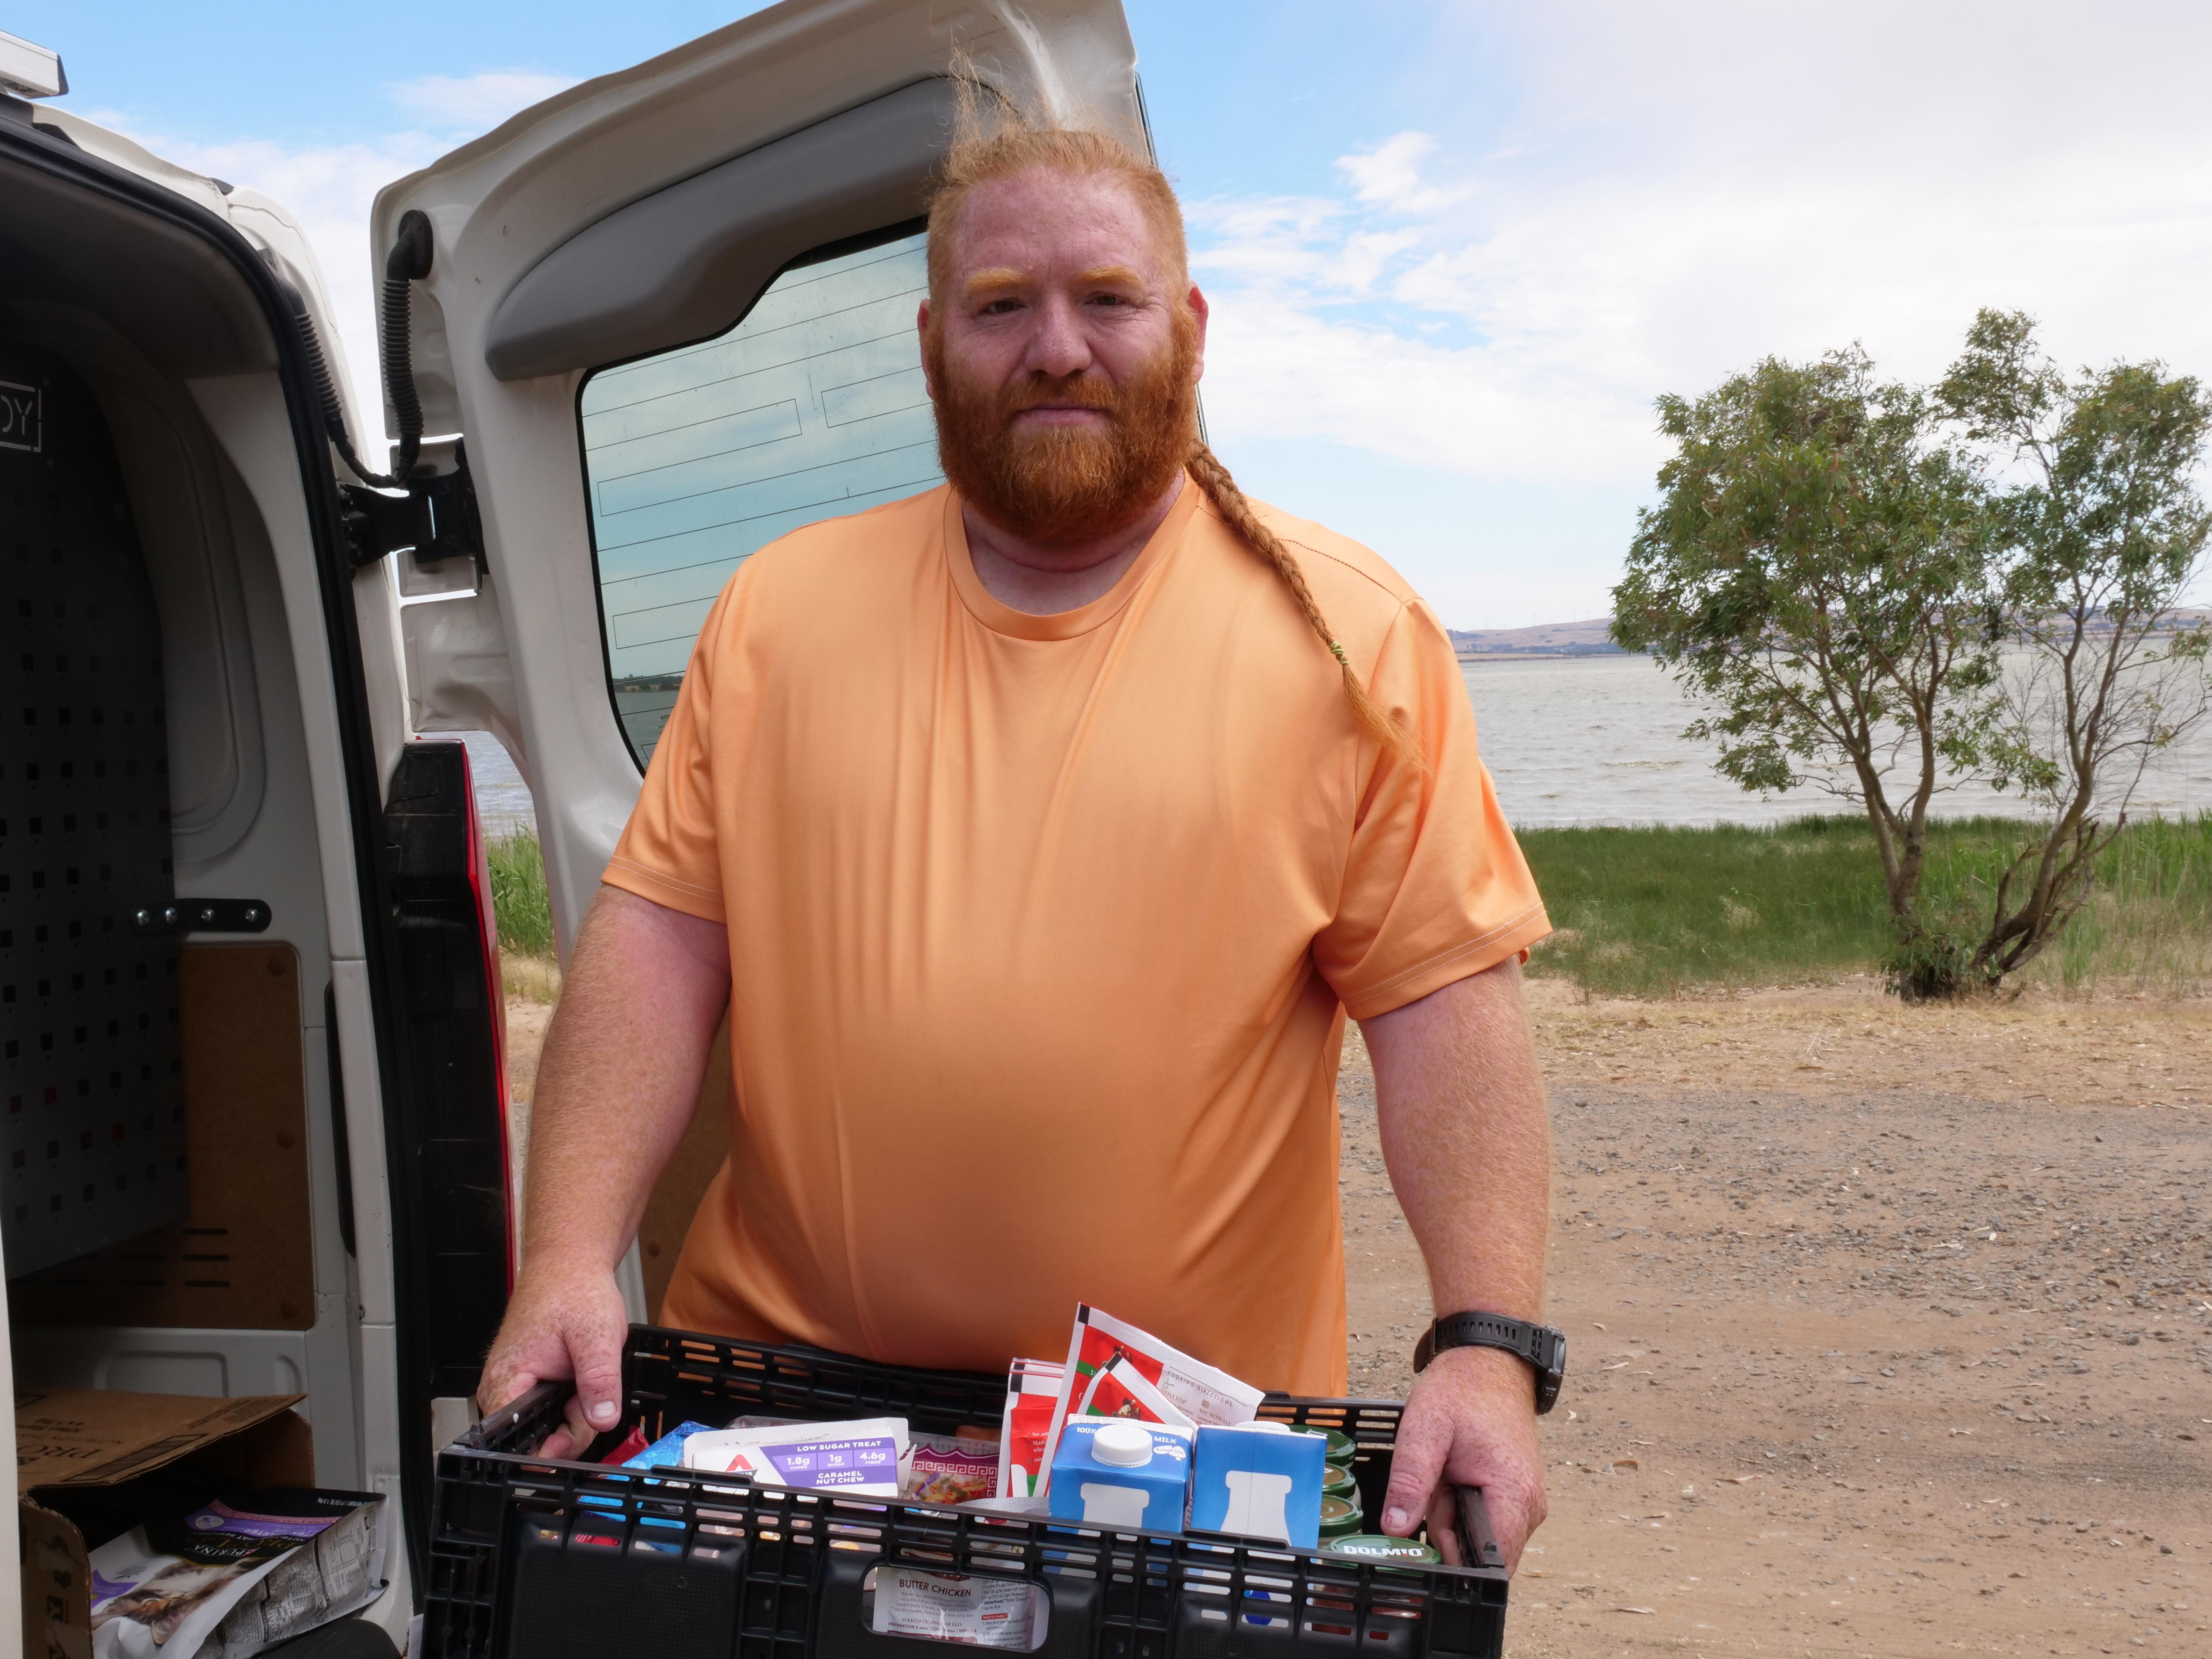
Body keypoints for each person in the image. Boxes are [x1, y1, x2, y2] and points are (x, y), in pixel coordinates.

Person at [479, 107, 1555, 1567]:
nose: (1057, 346)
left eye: (1106, 299)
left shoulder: (1351, 634)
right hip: (787, 1440)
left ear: (1187, 325)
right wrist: (562, 1262)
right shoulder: (780, 611)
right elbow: (659, 944)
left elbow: (1444, 1011)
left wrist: (1484, 1347)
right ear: (932, 339)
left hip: (1172, 1465)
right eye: (1003, 307)